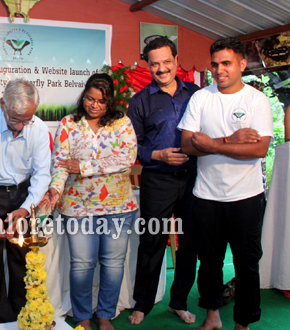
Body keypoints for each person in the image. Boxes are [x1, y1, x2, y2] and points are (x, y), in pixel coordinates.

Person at [179, 37, 273, 330]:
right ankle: (212, 317)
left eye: (227, 63)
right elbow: (187, 145)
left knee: (247, 265)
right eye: (215, 64)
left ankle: (242, 323)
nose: (219, 70)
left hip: (247, 197)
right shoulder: (201, 98)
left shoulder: (256, 100)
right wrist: (229, 141)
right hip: (207, 196)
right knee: (209, 263)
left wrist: (211, 144)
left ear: (242, 65)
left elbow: (258, 150)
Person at [39, 73, 138, 330]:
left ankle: (105, 314)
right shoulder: (69, 123)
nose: (94, 105)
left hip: (118, 206)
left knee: (113, 262)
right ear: (83, 95)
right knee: (82, 263)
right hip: (77, 205)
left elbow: (126, 159)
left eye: (101, 101)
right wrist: (55, 189)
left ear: (110, 102)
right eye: (89, 98)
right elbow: (60, 164)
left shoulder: (122, 123)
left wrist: (83, 166)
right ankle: (82, 315)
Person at [126, 37, 200, 325]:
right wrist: (158, 154)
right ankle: (142, 304)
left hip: (194, 180)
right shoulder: (140, 101)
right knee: (151, 242)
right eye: (155, 63)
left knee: (189, 243)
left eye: (166, 61)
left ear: (176, 60)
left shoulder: (196, 94)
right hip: (157, 181)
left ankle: (178, 302)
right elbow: (132, 147)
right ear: (148, 65)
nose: (162, 68)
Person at [0, 79, 51, 330]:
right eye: (16, 119)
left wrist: (25, 209)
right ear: (2, 104)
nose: (21, 126)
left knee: (22, 261)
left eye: (27, 119)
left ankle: (23, 319)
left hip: (23, 195)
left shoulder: (37, 127)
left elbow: (42, 175)